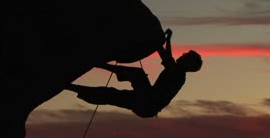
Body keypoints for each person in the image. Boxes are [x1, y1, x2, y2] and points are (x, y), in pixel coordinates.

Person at [65, 28, 202, 118]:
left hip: (148, 102)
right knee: (112, 94)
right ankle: (70, 85)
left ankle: (96, 65)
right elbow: (168, 58)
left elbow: (166, 57)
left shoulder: (177, 74)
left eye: (185, 56)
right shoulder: (177, 72)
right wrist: (167, 40)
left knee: (129, 81)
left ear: (188, 64)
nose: (182, 55)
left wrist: (158, 42)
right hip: (147, 101)